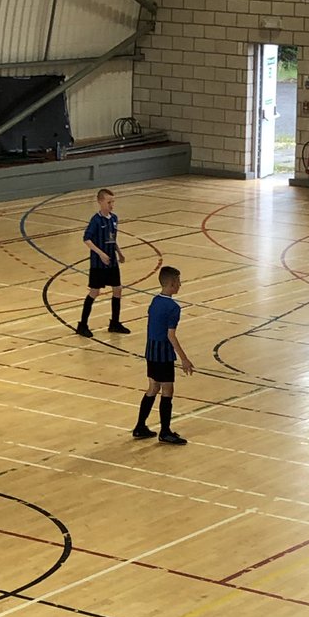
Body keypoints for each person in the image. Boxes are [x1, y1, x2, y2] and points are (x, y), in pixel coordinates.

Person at [131, 266, 193, 445]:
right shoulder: (173, 307)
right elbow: (170, 335)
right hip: (163, 353)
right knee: (167, 390)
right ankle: (165, 432)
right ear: (172, 283)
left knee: (153, 387)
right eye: (179, 281)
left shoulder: (155, 301)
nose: (180, 285)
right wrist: (184, 359)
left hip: (151, 349)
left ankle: (140, 426)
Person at [76, 187, 128, 337]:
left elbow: (112, 238)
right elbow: (86, 239)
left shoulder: (114, 219)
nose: (111, 205)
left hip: (112, 262)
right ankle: (82, 325)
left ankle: (114, 323)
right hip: (98, 264)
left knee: (117, 289)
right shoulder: (96, 220)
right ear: (100, 202)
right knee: (95, 291)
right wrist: (100, 254)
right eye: (108, 202)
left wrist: (119, 252)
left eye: (113, 202)